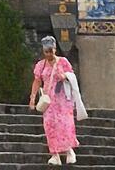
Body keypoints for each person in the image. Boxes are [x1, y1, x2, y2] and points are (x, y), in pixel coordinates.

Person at [29, 35, 84, 165]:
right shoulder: (41, 65)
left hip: (62, 99)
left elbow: (72, 76)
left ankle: (69, 150)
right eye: (46, 51)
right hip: (48, 100)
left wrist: (64, 76)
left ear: (55, 49)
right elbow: (37, 81)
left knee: (64, 124)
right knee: (50, 125)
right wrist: (32, 97)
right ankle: (55, 154)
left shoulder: (63, 61)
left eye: (51, 51)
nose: (49, 54)